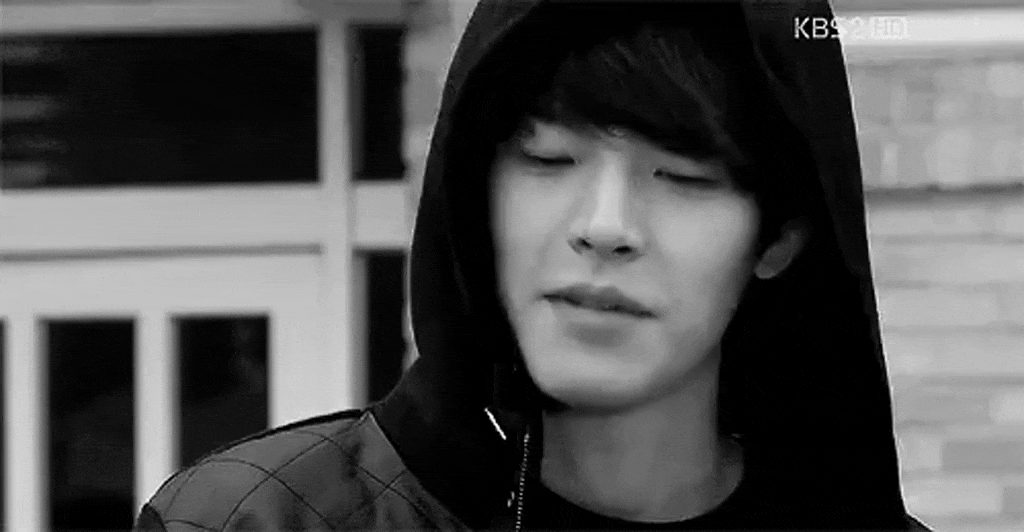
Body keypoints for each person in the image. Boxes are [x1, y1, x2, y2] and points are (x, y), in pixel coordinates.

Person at [134, 0, 933, 530]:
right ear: (474, 195)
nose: (605, 227)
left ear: (780, 236)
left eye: (684, 177)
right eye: (549, 159)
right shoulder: (257, 520)